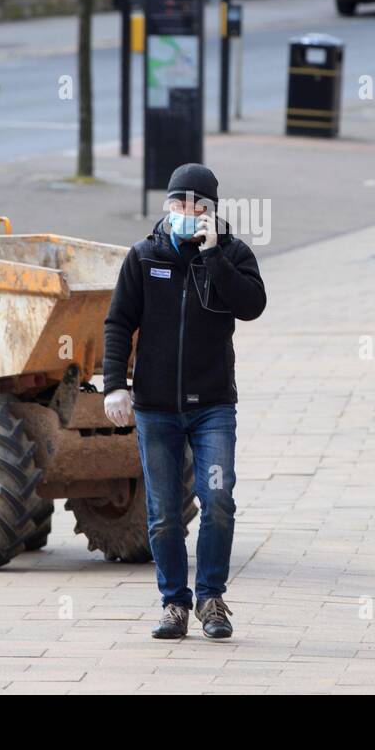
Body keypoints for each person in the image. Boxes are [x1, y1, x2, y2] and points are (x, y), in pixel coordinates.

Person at [102, 163, 267, 639]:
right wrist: (116, 384)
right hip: (156, 408)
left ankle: (211, 599)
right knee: (163, 511)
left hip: (212, 406)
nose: (188, 211)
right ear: (166, 206)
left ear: (213, 211)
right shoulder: (143, 257)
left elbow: (252, 306)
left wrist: (215, 256)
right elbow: (118, 323)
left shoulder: (233, 254)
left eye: (199, 205)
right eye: (179, 203)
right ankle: (174, 602)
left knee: (217, 499)